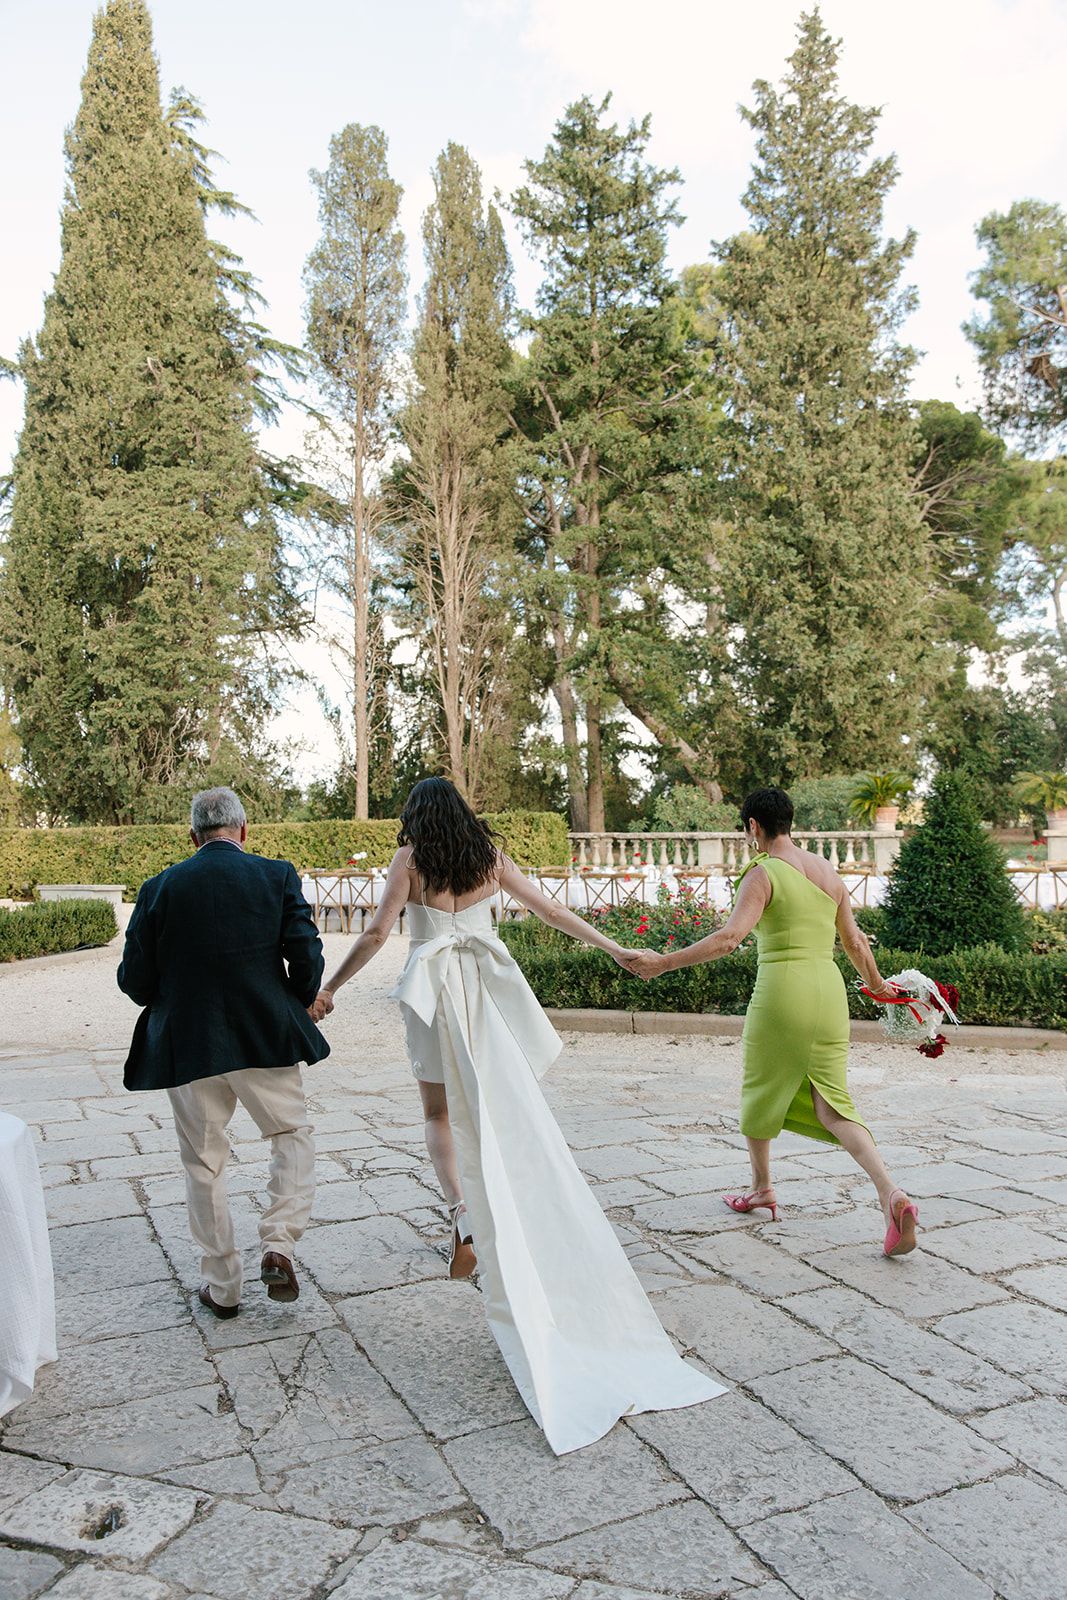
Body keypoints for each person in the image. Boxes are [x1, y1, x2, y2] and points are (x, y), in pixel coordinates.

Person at [312, 776, 724, 1453]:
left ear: (415, 817)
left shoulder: (410, 860)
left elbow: (380, 931)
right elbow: (551, 910)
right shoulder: (488, 857)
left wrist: (330, 987)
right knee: (501, 1103)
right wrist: (615, 948)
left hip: (434, 992)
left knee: (438, 1112)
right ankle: (504, 1195)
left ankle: (462, 1211)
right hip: (486, 989)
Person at [625, 787, 919, 1257]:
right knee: (833, 1103)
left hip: (783, 992)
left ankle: (762, 1187)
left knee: (760, 1087)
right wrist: (879, 986)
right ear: (790, 820)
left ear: (753, 826)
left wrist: (663, 963)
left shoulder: (763, 872)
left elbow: (729, 939)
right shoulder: (827, 871)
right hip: (829, 995)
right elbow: (856, 943)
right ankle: (890, 1191)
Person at [117, 787, 329, 1319]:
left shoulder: (158, 887)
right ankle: (279, 1242)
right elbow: (306, 952)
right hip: (264, 1032)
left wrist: (173, 996)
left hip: (188, 1040)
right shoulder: (276, 875)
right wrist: (300, 1000)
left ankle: (223, 1286)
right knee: (291, 1135)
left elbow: (134, 979)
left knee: (203, 1161)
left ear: (193, 836)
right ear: (244, 830)